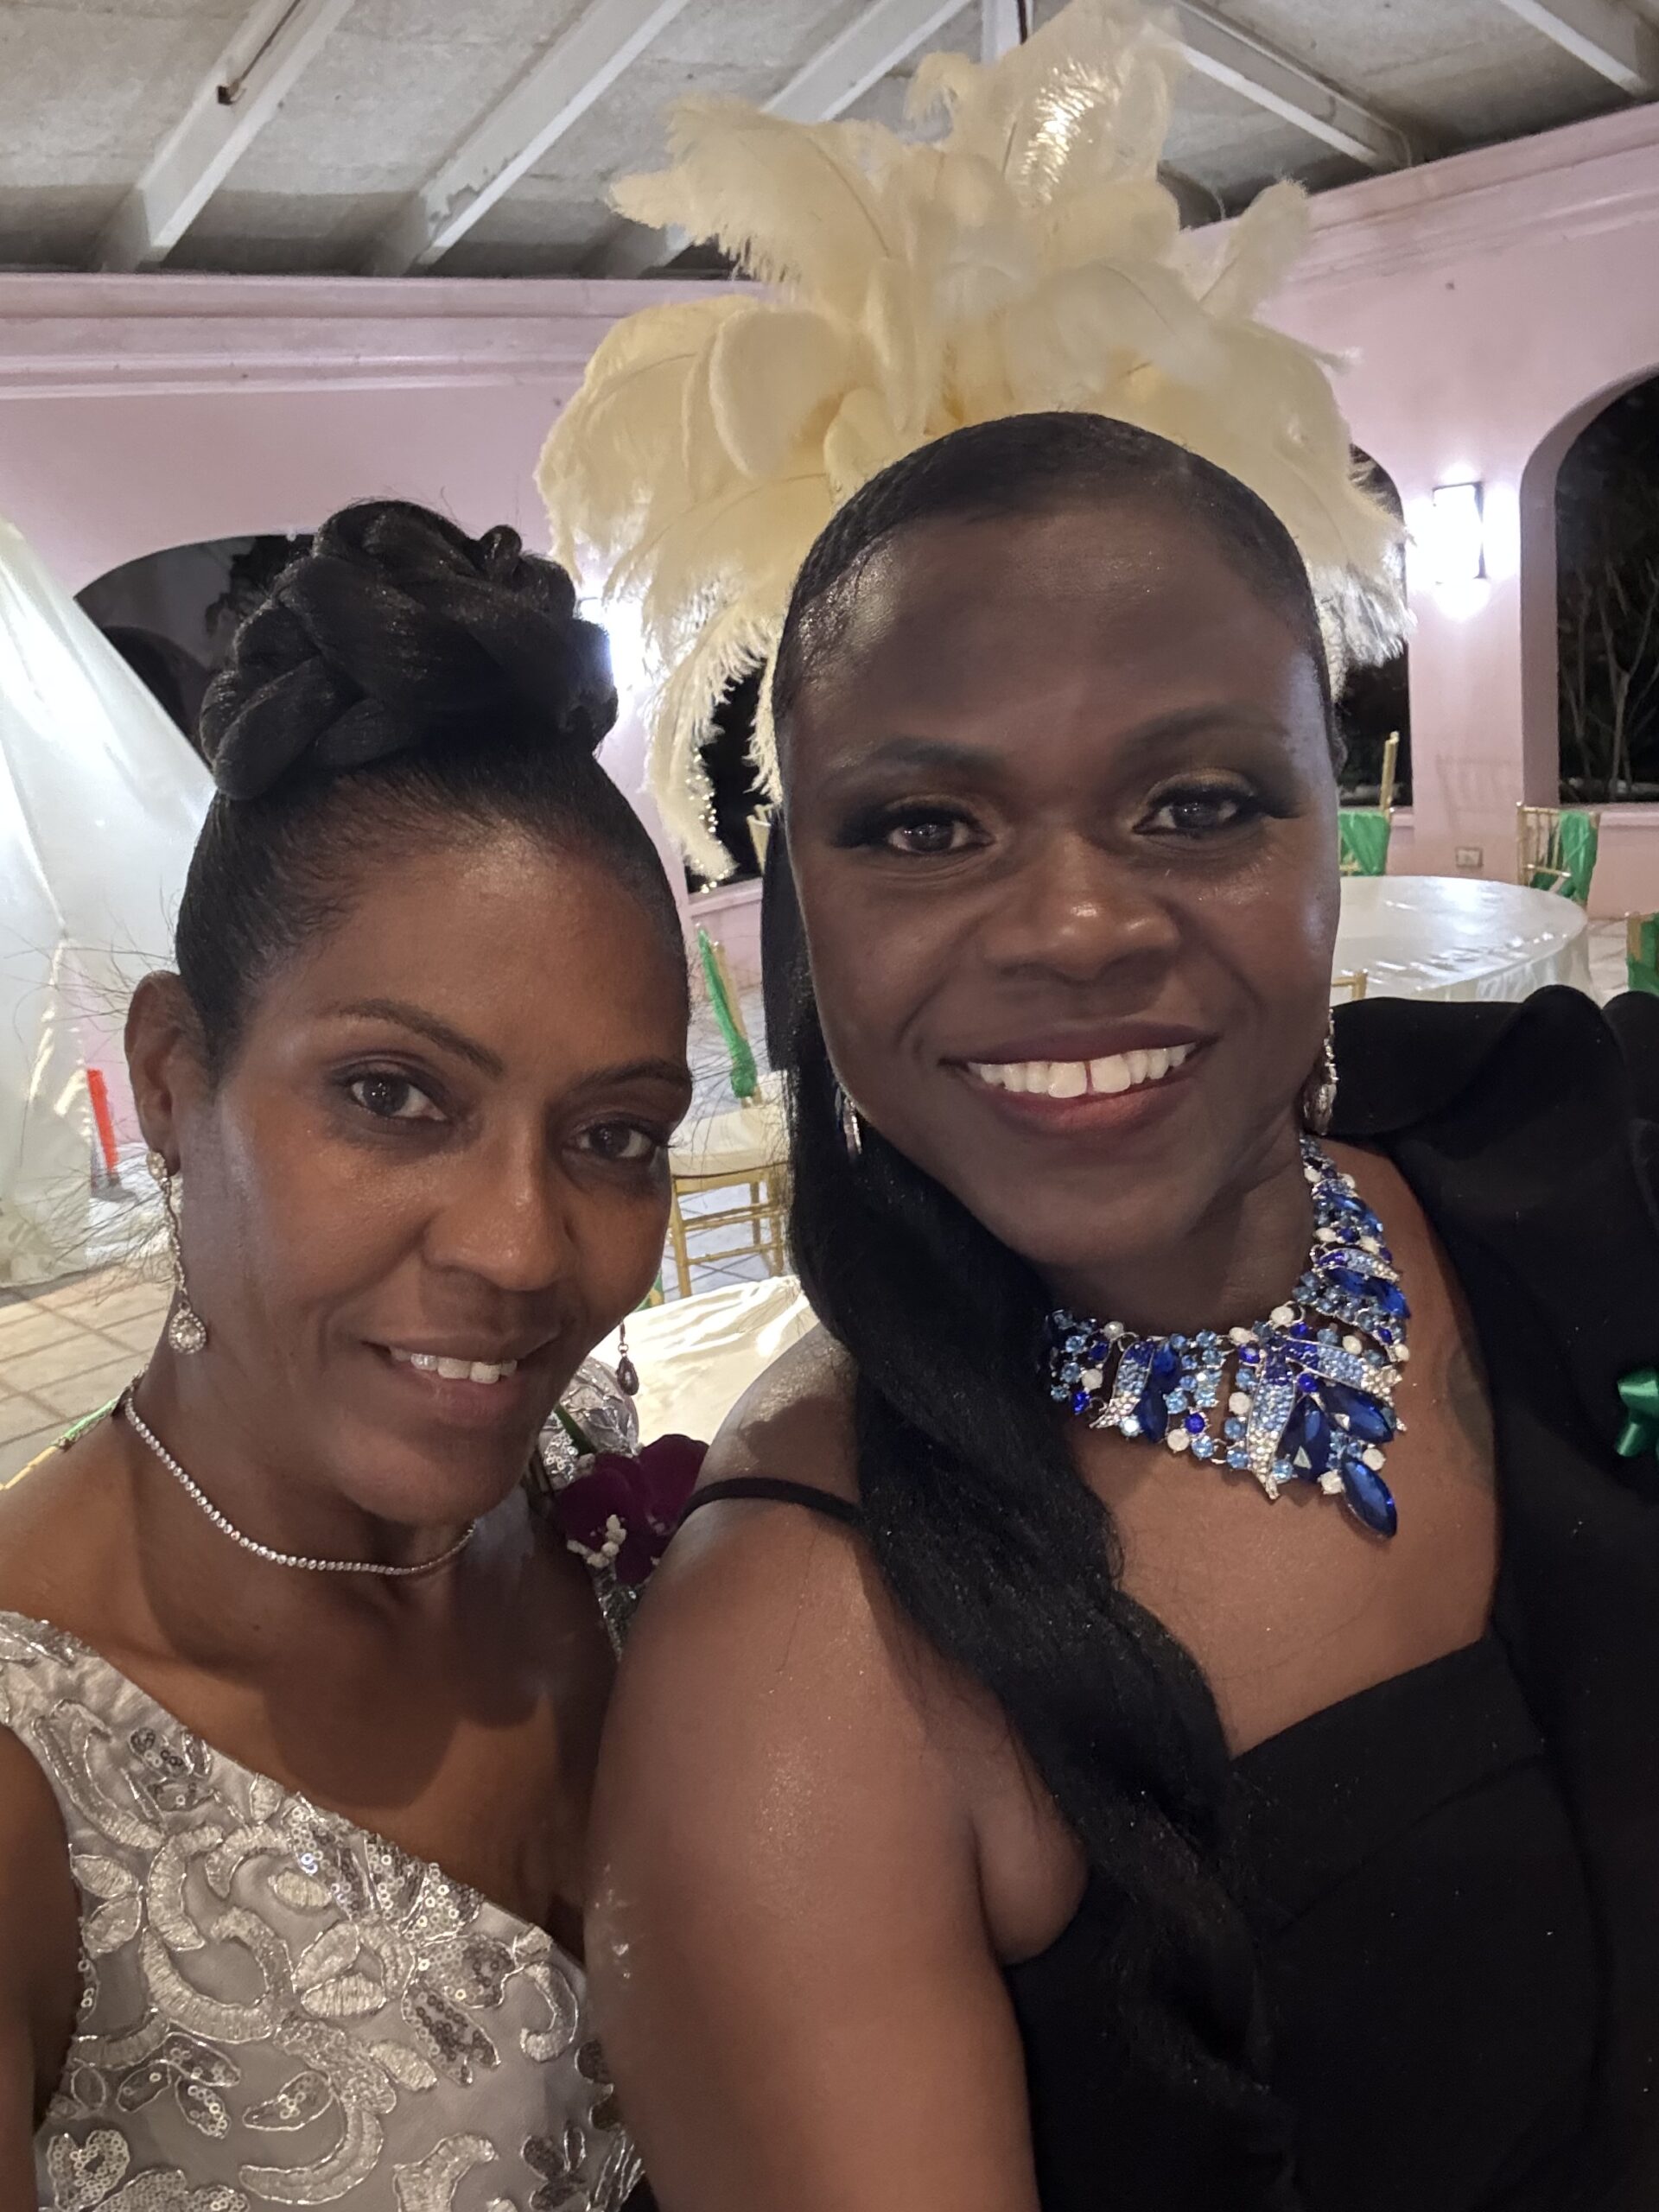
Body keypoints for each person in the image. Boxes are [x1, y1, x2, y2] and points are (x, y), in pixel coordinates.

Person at [588, 415, 1659, 2212]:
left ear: (1334, 822)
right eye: (927, 826)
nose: (1077, 926)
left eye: (1198, 805)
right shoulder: (805, 1655)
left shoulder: (1547, 1171)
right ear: (805, 905)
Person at [0, 501, 694, 2209]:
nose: (521, 1247)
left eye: (613, 1134)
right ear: (174, 1077)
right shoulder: (31, 1773)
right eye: (393, 1095)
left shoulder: (605, 1505)